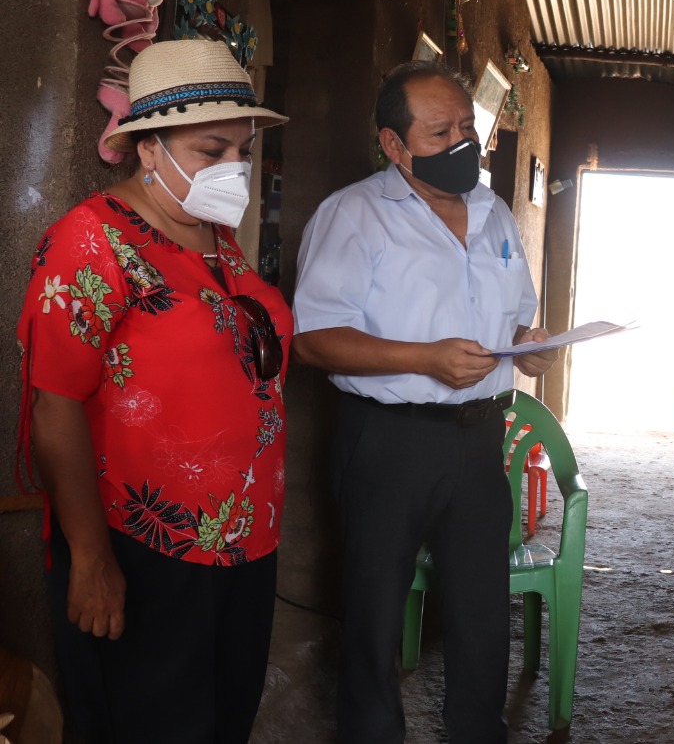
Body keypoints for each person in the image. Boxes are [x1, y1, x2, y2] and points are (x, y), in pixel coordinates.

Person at [17, 39, 292, 743]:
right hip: (145, 548)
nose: (234, 168)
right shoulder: (91, 242)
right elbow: (54, 404)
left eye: (243, 150)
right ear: (148, 149)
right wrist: (91, 558)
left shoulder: (216, 238)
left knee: (223, 720)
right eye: (211, 150)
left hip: (243, 541)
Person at [291, 61, 558, 744]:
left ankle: (477, 731)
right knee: (374, 606)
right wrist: (423, 357)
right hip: (389, 440)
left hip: (480, 440)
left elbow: (516, 321)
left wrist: (527, 347)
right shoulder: (353, 215)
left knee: (481, 607)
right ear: (394, 144)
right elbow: (314, 338)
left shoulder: (495, 213)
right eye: (440, 132)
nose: (461, 142)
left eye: (467, 126)